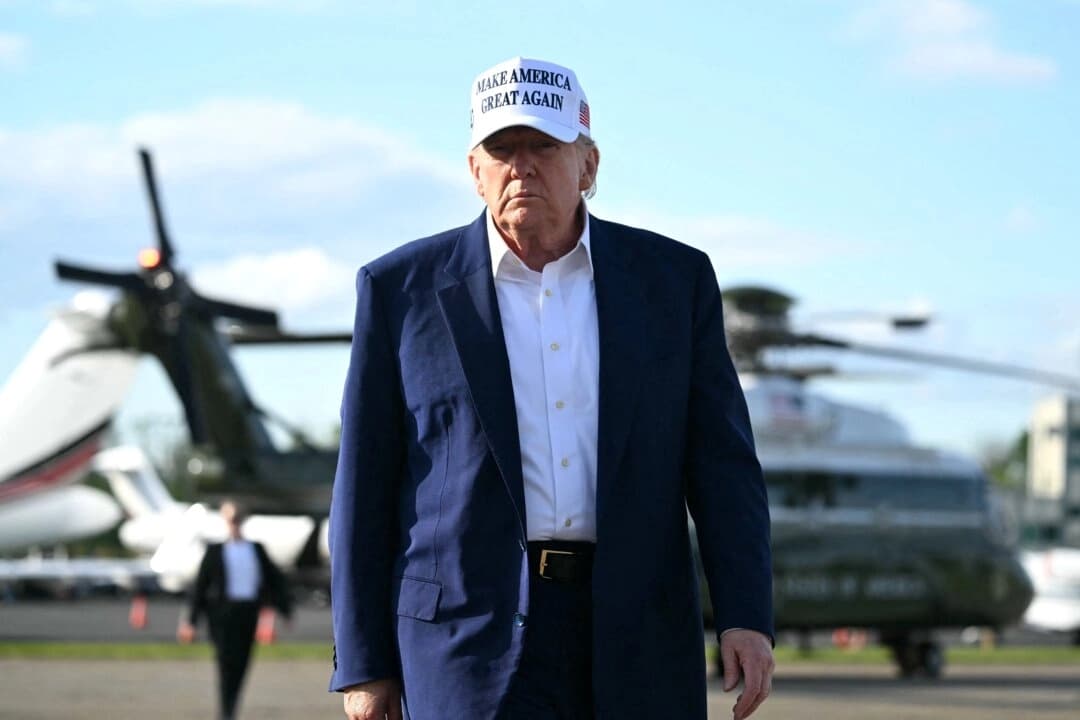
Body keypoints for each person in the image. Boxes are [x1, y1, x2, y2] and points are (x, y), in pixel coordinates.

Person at [329, 56, 774, 720]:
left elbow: (722, 466)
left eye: (544, 145)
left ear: (588, 166)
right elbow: (363, 485)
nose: (522, 165)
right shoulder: (400, 290)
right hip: (461, 643)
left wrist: (745, 613)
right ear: (474, 171)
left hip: (637, 635)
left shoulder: (673, 282)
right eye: (501, 148)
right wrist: (363, 663)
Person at [178, 500, 293, 720]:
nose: (235, 524)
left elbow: (275, 580)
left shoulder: (256, 549)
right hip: (221, 615)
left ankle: (231, 708)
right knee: (224, 663)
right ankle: (226, 712)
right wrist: (190, 622)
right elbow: (200, 588)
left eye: (238, 519)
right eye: (231, 519)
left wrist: (285, 610)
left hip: (248, 613)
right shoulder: (215, 551)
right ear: (224, 520)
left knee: (242, 664)